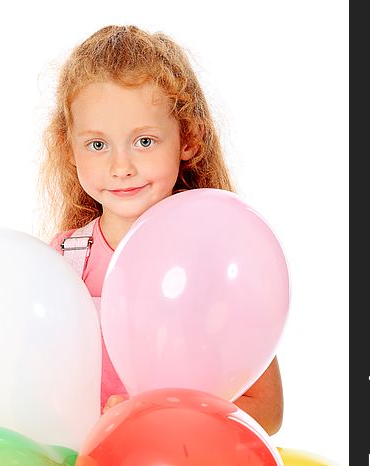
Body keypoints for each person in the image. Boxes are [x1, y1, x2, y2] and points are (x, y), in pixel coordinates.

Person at [40, 25, 283, 434]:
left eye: (145, 141)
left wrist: (156, 416)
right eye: (97, 145)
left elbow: (267, 410)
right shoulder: (63, 261)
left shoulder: (218, 263)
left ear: (187, 139)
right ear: (70, 149)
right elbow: (35, 390)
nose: (122, 167)